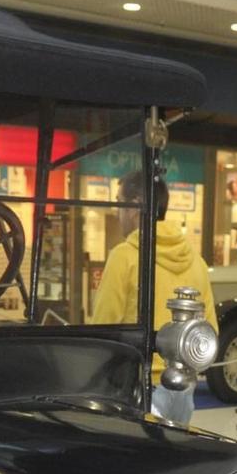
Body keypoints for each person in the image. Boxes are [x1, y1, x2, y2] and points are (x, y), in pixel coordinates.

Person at [88, 169, 216, 425]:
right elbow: (210, 332)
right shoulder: (197, 263)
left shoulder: (124, 257)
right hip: (183, 390)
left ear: (135, 206)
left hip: (135, 387)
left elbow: (102, 329)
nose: (117, 212)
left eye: (119, 203)